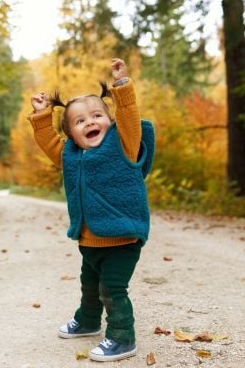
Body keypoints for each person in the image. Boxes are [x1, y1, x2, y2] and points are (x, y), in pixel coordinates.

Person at [28, 58, 155, 362]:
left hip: (123, 236)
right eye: (80, 121)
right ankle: (87, 321)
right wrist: (42, 115)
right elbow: (48, 144)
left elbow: (128, 117)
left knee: (112, 288)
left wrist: (122, 87)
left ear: (110, 122)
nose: (91, 123)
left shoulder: (123, 143)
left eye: (98, 115)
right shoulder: (70, 156)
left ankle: (123, 337)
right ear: (71, 134)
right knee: (89, 285)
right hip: (89, 239)